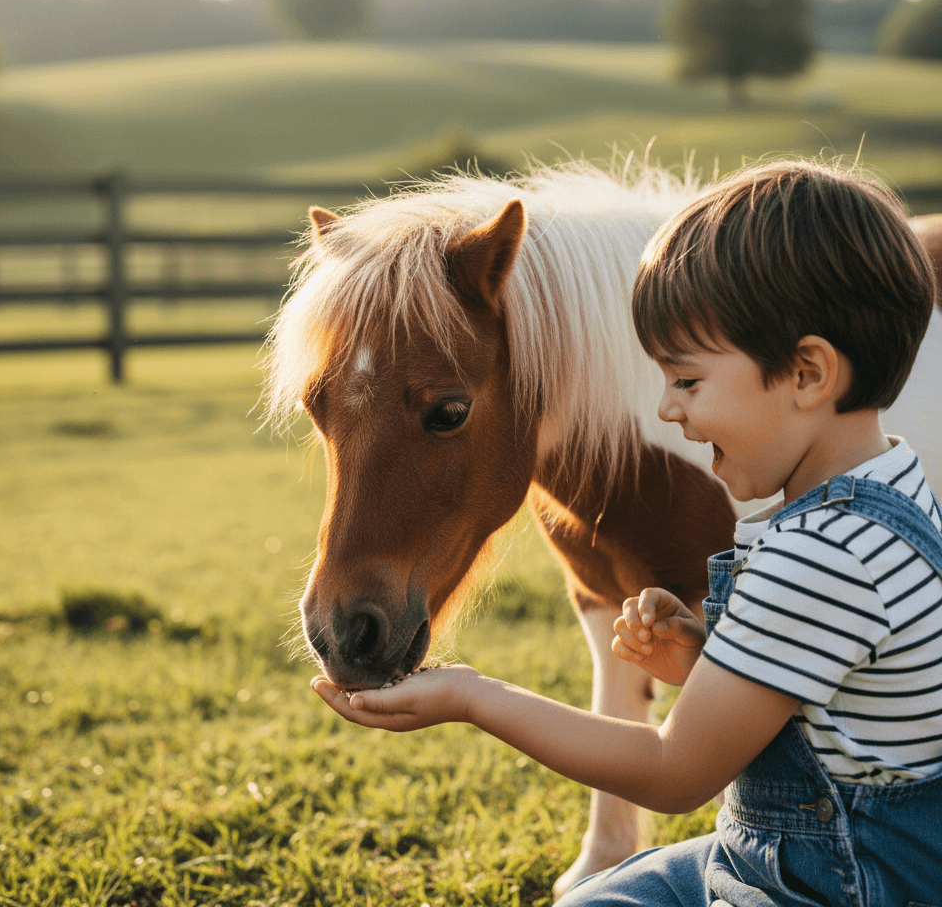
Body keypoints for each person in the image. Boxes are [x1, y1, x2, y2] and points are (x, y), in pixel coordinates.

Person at [311, 160, 942, 905]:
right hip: (804, 850)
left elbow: (675, 773)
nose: (665, 412)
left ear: (807, 373)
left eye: (687, 382)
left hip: (828, 882)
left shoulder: (820, 557)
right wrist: (710, 659)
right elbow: (843, 693)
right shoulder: (886, 498)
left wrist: (474, 698)